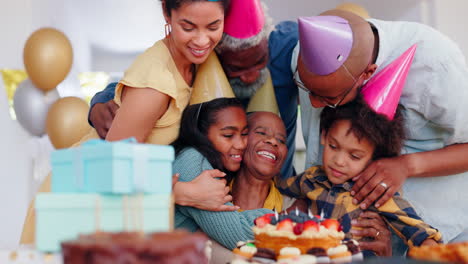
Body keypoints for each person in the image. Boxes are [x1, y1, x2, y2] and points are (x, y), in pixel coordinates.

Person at [20, 0, 232, 244]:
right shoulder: (155, 82)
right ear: (166, 12)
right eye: (188, 27)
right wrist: (184, 193)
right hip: (76, 206)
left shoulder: (194, 62)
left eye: (213, 26)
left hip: (112, 211)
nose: (202, 40)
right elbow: (109, 171)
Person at [293, 10, 468, 243]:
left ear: (367, 73)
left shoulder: (436, 65)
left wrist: (407, 166)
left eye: (327, 97)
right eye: (308, 90)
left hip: (437, 221)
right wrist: (310, 197)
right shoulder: (304, 54)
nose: (314, 103)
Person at [88, 0, 300, 180]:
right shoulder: (199, 62)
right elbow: (143, 82)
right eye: (237, 68)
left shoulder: (285, 45)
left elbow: (330, 34)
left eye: (260, 61)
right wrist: (100, 99)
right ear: (218, 56)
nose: (251, 76)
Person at [278, 97, 442, 257]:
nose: (339, 161)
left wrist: (430, 247)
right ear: (324, 135)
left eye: (355, 156)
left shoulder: (374, 192)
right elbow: (280, 186)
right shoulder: (311, 178)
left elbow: (416, 229)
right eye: (333, 146)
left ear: (374, 159)